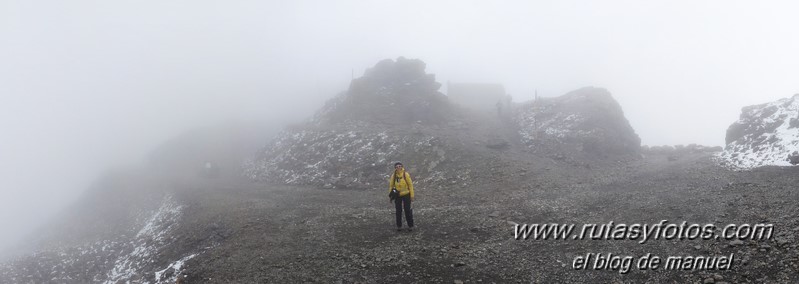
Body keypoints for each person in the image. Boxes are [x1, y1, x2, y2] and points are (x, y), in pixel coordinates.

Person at [389, 162, 414, 231]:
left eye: (400, 166)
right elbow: (391, 186)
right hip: (398, 195)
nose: (398, 167)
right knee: (398, 210)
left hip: (406, 194)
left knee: (407, 210)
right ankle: (399, 226)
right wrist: (391, 196)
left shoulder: (405, 174)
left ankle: (410, 225)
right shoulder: (394, 176)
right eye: (397, 167)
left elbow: (410, 185)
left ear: (402, 167)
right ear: (395, 168)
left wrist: (412, 195)